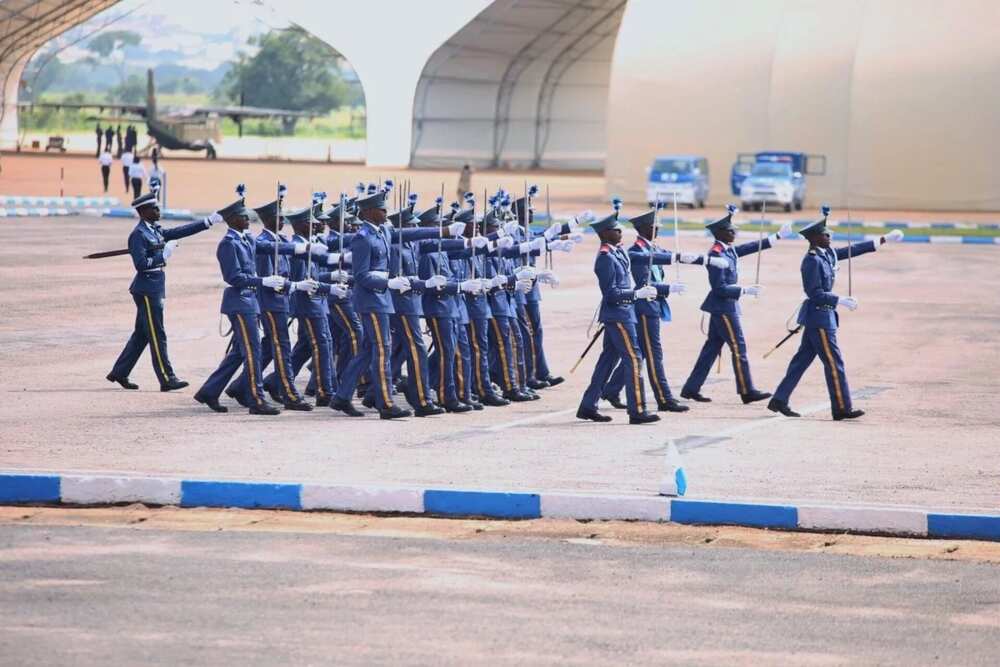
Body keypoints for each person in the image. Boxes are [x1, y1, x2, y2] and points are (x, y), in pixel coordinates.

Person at [768, 207, 905, 420]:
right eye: (825, 234)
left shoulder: (827, 254)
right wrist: (839, 299)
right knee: (834, 363)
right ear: (814, 238)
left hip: (822, 317)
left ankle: (779, 399)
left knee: (801, 361)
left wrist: (884, 239)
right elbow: (814, 293)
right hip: (819, 317)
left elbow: (852, 250)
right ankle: (841, 407)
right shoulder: (811, 260)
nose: (829, 237)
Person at [601, 207, 724, 413]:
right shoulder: (636, 252)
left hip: (652, 307)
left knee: (641, 354)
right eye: (654, 226)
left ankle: (612, 389)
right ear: (644, 228)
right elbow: (643, 285)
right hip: (644, 308)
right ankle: (664, 398)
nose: (658, 229)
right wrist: (668, 288)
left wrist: (704, 259)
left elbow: (675, 256)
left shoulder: (652, 248)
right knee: (654, 353)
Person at [679, 205, 794, 404]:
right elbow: (719, 289)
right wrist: (744, 290)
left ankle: (691, 388)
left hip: (724, 307)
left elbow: (749, 248)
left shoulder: (728, 250)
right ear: (721, 233)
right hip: (723, 307)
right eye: (731, 231)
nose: (735, 233)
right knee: (738, 347)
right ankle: (746, 390)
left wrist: (777, 236)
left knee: (711, 349)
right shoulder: (716, 254)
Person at [107, 193, 218, 391]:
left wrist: (207, 222)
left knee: (142, 334)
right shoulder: (139, 234)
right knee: (158, 334)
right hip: (147, 290)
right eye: (154, 208)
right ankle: (167, 378)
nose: (158, 211)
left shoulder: (155, 230)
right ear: (143, 212)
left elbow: (179, 231)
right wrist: (163, 255)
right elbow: (140, 265)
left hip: (155, 286)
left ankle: (120, 372)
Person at [193, 194, 285, 415]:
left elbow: (270, 247)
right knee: (252, 351)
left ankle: (209, 391)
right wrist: (262, 281)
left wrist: (303, 250)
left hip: (249, 302)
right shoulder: (228, 244)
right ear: (233, 219)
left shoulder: (246, 239)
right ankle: (256, 399)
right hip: (240, 302)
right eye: (244, 217)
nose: (248, 220)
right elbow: (233, 277)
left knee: (237, 353)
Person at [228, 198, 321, 412]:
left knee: (272, 347)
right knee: (282, 348)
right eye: (278, 218)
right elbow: (265, 275)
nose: (282, 221)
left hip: (280, 301)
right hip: (269, 302)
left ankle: (240, 386)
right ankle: (289, 394)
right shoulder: (262, 240)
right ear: (268, 219)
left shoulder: (276, 240)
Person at [576, 199, 660, 425]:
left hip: (625, 313)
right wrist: (636, 295)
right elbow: (612, 294)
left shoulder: (617, 253)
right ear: (605, 234)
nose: (620, 232)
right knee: (634, 358)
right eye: (615, 230)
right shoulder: (604, 258)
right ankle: (637, 410)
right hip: (619, 314)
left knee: (607, 361)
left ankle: (588, 405)